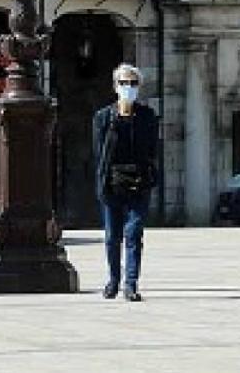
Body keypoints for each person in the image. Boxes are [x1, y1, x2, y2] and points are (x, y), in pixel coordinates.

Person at [93, 63, 160, 301]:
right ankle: (113, 280)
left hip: (139, 182)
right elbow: (99, 154)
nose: (128, 87)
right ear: (115, 86)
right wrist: (101, 185)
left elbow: (153, 149)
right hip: (112, 182)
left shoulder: (148, 116)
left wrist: (151, 175)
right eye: (123, 83)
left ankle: (131, 284)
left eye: (132, 83)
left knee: (133, 232)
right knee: (113, 236)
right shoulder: (103, 118)